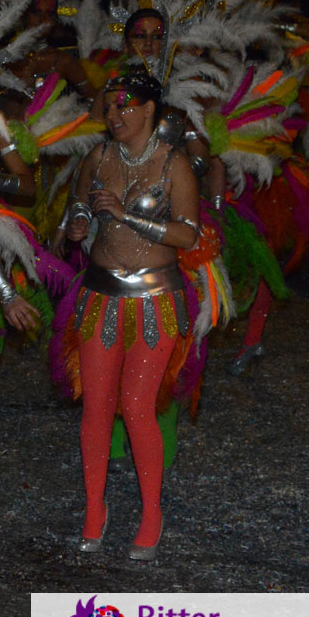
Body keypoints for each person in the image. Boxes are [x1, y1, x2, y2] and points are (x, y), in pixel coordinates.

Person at [62, 72, 199, 560]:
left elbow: (188, 235)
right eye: (108, 107)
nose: (113, 116)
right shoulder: (97, 158)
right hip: (101, 297)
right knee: (96, 407)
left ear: (149, 111)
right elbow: (76, 205)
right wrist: (78, 223)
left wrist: (125, 215)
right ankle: (94, 510)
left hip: (155, 301)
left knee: (137, 407)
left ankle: (150, 511)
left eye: (124, 106)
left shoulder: (174, 164)